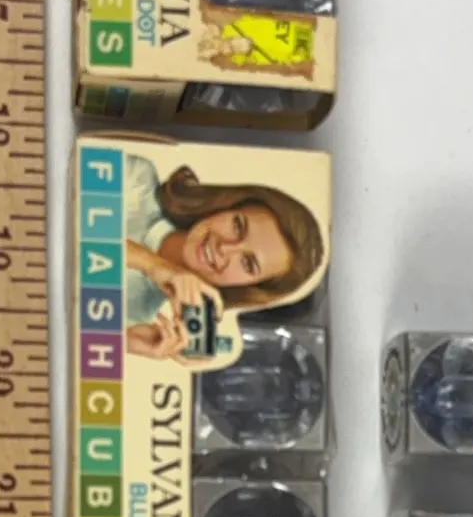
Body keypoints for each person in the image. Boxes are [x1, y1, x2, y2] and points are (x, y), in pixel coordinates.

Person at [121, 154, 325, 362]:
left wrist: (125, 341)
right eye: (238, 226)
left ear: (247, 287)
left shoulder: (138, 319)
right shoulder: (138, 180)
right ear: (227, 207)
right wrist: (154, 265)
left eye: (248, 263)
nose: (225, 248)